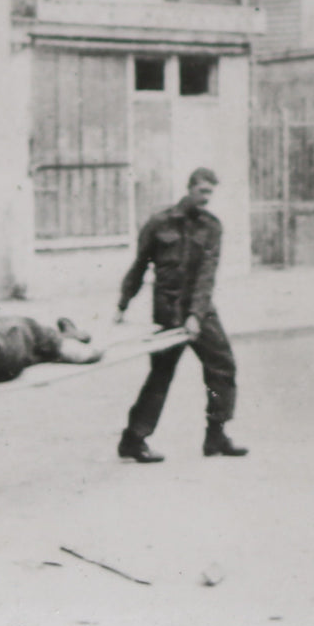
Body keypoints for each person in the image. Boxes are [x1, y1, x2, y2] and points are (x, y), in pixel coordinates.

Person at [114, 167, 247, 463]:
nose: (206, 198)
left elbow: (206, 274)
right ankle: (133, 440)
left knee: (223, 367)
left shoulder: (212, 226)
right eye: (202, 191)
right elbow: (138, 267)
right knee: (160, 376)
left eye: (211, 193)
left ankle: (216, 435)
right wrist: (123, 304)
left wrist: (196, 316)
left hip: (201, 312)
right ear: (189, 189)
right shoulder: (159, 223)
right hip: (167, 313)